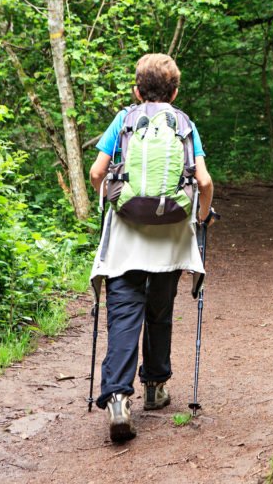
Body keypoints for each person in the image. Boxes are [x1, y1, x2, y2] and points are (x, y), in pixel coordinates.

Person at [89, 53, 215, 442]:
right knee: (160, 310)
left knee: (124, 312)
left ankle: (117, 395)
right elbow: (205, 182)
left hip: (127, 236)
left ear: (136, 89)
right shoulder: (184, 123)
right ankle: (156, 387)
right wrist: (202, 217)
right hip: (171, 235)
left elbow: (97, 173)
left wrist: (115, 201)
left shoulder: (123, 120)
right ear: (175, 91)